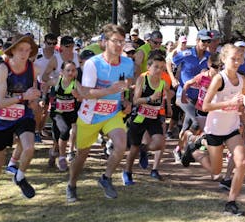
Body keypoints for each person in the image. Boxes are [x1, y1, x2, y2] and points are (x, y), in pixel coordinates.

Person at [67, 24, 134, 202]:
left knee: (121, 145)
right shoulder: (93, 64)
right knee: (82, 156)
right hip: (90, 115)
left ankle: (106, 178)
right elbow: (86, 93)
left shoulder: (127, 62)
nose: (119, 45)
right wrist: (108, 90)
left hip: (112, 113)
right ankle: (72, 185)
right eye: (115, 41)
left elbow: (125, 86)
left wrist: (126, 100)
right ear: (105, 42)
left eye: (122, 41)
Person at [0, 34, 41, 209]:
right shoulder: (3, 68)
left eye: (28, 50)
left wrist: (35, 99)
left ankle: (20, 176)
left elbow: (33, 93)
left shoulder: (33, 68)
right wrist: (23, 96)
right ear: (13, 51)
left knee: (29, 147)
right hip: (1, 118)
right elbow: (1, 102)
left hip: (22, 115)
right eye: (21, 50)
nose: (25, 54)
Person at [202, 43, 245, 216]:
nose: (236, 62)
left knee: (242, 162)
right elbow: (205, 106)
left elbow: (243, 95)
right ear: (224, 59)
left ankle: (231, 202)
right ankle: (194, 150)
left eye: (239, 59)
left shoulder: (242, 79)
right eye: (233, 59)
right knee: (216, 172)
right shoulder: (219, 79)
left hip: (231, 128)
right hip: (214, 129)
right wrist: (228, 103)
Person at [124, 50, 169, 184]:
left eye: (162, 68)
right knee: (133, 149)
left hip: (153, 117)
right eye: (156, 67)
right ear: (148, 68)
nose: (159, 70)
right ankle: (127, 172)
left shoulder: (162, 83)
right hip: (139, 117)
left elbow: (162, 100)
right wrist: (150, 98)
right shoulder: (142, 79)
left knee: (159, 143)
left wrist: (163, 108)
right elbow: (136, 100)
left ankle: (144, 150)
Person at [173, 29, 211, 134]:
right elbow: (169, 61)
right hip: (183, 95)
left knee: (188, 126)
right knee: (197, 122)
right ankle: (190, 146)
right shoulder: (186, 53)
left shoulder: (209, 56)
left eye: (208, 41)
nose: (206, 44)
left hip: (198, 97)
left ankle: (179, 149)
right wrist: (173, 79)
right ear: (197, 40)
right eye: (203, 41)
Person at [47, 60, 81, 172]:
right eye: (68, 70)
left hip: (70, 114)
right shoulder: (57, 81)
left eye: (73, 70)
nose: (71, 73)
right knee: (63, 132)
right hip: (57, 113)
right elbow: (45, 85)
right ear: (62, 72)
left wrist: (77, 96)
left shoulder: (76, 84)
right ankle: (60, 157)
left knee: (60, 136)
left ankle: (55, 155)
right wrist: (44, 99)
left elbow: (82, 97)